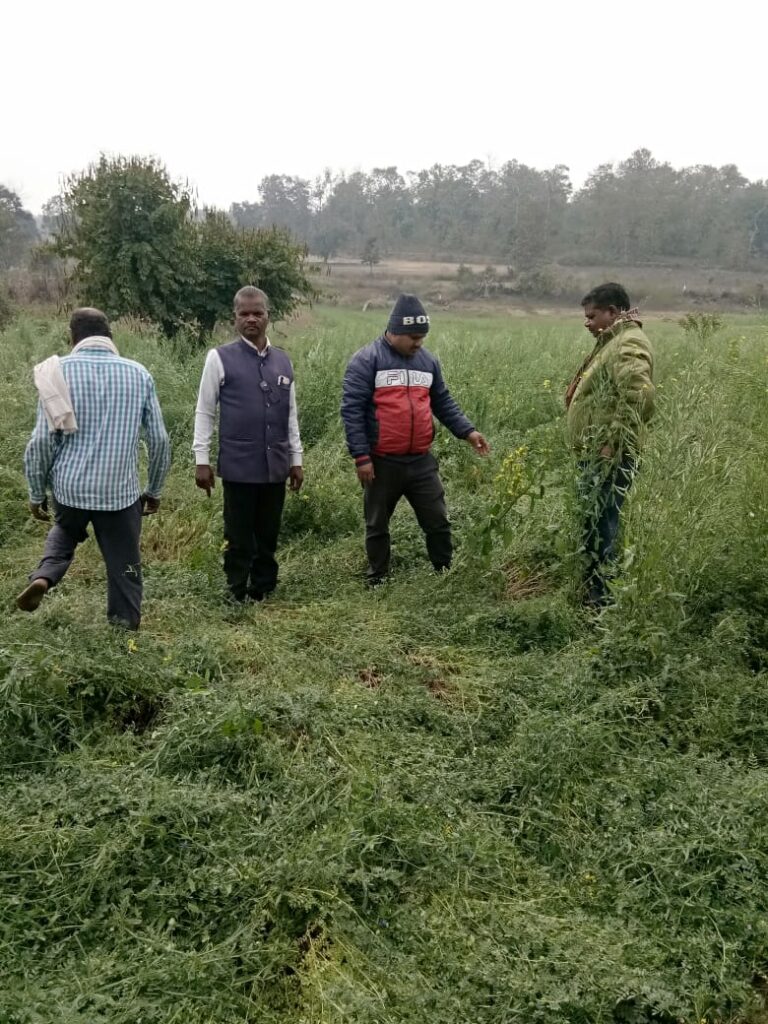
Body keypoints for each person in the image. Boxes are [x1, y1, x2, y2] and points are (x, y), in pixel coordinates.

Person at [17, 307, 171, 629]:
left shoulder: (55, 372)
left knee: (65, 529)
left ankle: (45, 576)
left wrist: (36, 493)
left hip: (70, 488)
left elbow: (41, 442)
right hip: (119, 494)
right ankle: (124, 632)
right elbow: (159, 440)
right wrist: (154, 490)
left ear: (72, 337)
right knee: (125, 566)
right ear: (110, 335)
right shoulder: (138, 373)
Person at [341, 293, 489, 585]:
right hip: (381, 462)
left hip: (421, 461)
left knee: (438, 521)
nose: (418, 342)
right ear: (393, 330)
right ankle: (378, 578)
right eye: (412, 337)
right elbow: (352, 411)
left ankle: (444, 572)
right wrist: (361, 457)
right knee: (377, 524)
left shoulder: (427, 361)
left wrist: (468, 431)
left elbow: (442, 402)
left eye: (422, 336)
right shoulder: (366, 360)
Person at [193, 286, 304, 603]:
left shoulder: (282, 360)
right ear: (235, 317)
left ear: (268, 316)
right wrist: (202, 459)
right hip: (240, 464)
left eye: (258, 313)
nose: (251, 319)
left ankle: (264, 588)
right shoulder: (219, 358)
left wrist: (296, 459)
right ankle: (236, 589)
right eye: (244, 313)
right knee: (239, 533)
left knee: (268, 531)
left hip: (276, 464)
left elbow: (290, 414)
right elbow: (205, 410)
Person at [565, 282, 655, 607]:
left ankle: (602, 601)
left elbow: (638, 396)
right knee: (594, 522)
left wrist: (610, 445)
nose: (587, 323)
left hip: (608, 457)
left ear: (613, 312)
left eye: (592, 316)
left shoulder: (628, 343)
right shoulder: (613, 342)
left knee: (603, 526)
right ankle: (593, 592)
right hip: (597, 454)